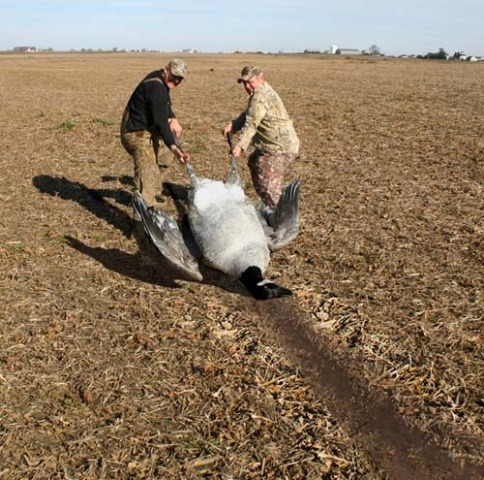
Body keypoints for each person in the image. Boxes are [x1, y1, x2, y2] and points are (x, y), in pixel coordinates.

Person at [222, 66, 300, 209]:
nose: (247, 86)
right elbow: (249, 114)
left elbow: (251, 124)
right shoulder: (260, 91)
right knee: (254, 161)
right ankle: (271, 206)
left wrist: (239, 146)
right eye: (244, 83)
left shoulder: (260, 97)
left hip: (280, 147)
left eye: (250, 82)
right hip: (271, 145)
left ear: (261, 78)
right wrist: (234, 125)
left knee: (268, 182)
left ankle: (281, 215)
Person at [121, 58, 190, 208]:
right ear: (166, 69)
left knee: (165, 155)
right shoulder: (156, 86)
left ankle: (154, 192)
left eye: (180, 78)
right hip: (134, 132)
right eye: (174, 76)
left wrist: (173, 118)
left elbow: (164, 105)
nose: (176, 81)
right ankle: (143, 212)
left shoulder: (161, 80)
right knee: (147, 167)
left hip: (147, 128)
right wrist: (175, 148)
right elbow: (161, 124)